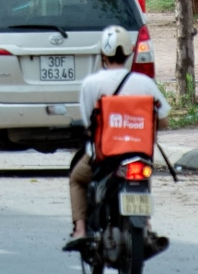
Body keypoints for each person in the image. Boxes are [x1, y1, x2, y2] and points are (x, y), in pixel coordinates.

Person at [67, 25, 170, 243]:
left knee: (77, 179)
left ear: (103, 55)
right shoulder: (145, 83)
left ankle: (81, 229)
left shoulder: (91, 84)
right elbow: (164, 118)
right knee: (142, 175)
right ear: (129, 52)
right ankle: (145, 223)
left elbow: (88, 122)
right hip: (140, 153)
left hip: (105, 157)